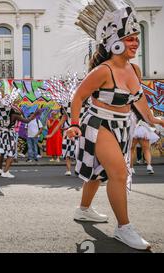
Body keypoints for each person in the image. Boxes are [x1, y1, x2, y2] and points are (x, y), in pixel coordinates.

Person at [67, 1, 164, 250]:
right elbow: (78, 97)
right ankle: (124, 228)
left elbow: (138, 98)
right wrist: (74, 123)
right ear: (115, 42)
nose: (135, 43)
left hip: (123, 125)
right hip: (99, 123)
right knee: (118, 173)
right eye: (130, 39)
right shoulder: (103, 70)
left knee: (98, 173)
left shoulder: (134, 69)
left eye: (136, 39)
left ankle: (83, 209)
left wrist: (152, 119)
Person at [130, 108, 160, 175]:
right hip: (144, 130)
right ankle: (149, 166)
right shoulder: (147, 110)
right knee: (146, 149)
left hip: (133, 130)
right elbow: (151, 121)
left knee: (131, 150)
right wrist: (155, 129)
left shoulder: (131, 109)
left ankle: (131, 168)